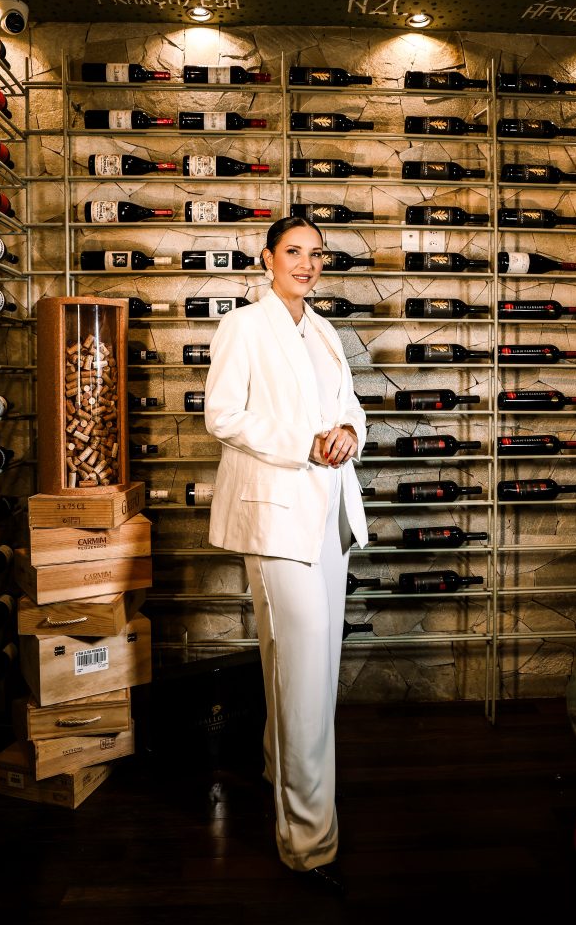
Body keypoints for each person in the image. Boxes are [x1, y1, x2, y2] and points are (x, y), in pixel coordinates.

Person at [204, 215, 369, 891]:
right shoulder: (243, 327)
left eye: (316, 254)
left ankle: (280, 771)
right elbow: (223, 416)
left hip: (329, 515)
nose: (306, 263)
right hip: (276, 519)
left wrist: (349, 432)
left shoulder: (325, 331)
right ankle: (309, 843)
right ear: (267, 258)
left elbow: (351, 406)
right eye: (293, 251)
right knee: (302, 679)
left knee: (311, 668)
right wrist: (306, 443)